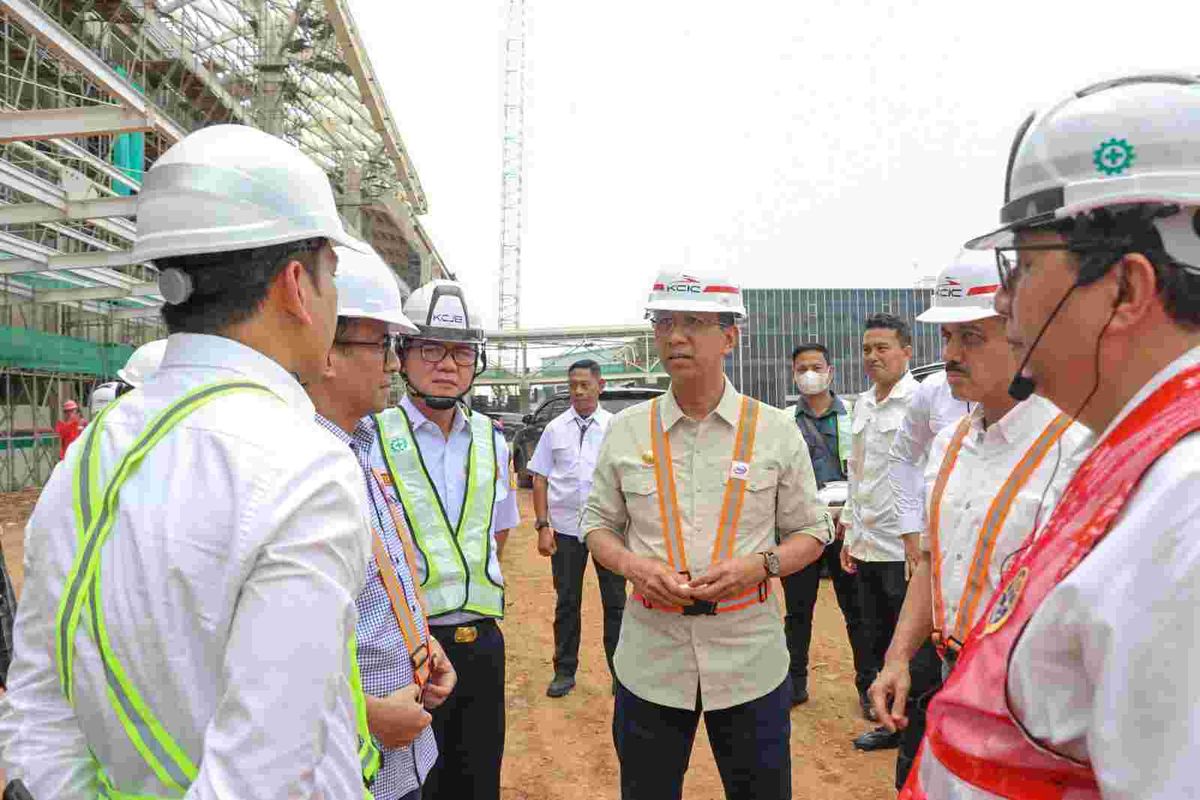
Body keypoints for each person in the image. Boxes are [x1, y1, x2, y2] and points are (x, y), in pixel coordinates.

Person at [0, 124, 379, 798]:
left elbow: (40, 707)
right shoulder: (305, 469)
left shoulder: (90, 456)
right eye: (333, 277)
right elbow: (264, 775)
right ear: (297, 284)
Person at [903, 73, 1200, 798]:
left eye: (1024, 267)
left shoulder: (1186, 513)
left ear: (1126, 290)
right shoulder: (1145, 464)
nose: (1004, 300)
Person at [584, 270, 833, 800]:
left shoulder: (774, 430)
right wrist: (634, 567)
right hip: (651, 659)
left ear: (729, 336)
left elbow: (812, 530)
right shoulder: (627, 429)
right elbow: (598, 526)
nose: (676, 337)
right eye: (665, 322)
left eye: (694, 323)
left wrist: (759, 566)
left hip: (750, 659)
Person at [871, 258, 1088, 789]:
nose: (948, 355)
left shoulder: (1077, 449)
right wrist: (899, 657)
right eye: (947, 336)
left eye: (971, 336)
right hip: (951, 677)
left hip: (1032, 705)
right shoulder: (949, 446)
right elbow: (931, 560)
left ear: (1025, 337)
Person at [306, 245, 459, 800]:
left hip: (407, 736)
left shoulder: (362, 446)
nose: (395, 364)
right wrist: (363, 715)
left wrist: (423, 645)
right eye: (382, 345)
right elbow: (268, 655)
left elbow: (379, 584)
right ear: (326, 352)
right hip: (351, 761)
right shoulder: (300, 470)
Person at [373, 279, 519, 800]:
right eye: (431, 348)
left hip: (482, 646)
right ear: (402, 354)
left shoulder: (493, 441)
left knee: (479, 782)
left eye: (460, 352)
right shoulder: (370, 438)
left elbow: (497, 534)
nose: (447, 364)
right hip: (408, 651)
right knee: (417, 787)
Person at [839, 312, 918, 752]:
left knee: (906, 645)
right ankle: (890, 724)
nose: (873, 357)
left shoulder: (919, 404)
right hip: (868, 543)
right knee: (872, 635)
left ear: (907, 351)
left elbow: (928, 474)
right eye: (867, 349)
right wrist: (849, 531)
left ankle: (911, 728)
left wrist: (920, 542)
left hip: (902, 548)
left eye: (882, 348)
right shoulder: (863, 404)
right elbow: (858, 474)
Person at [529, 358, 625, 698]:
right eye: (573, 385)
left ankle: (621, 675)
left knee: (616, 603)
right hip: (566, 531)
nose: (579, 391)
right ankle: (564, 671)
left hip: (608, 531)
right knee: (567, 602)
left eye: (585, 384)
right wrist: (543, 525)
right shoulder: (555, 428)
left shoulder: (616, 427)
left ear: (600, 386)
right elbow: (539, 478)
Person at [780, 342, 868, 708]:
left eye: (816, 367)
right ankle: (794, 683)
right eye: (802, 368)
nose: (809, 374)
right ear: (794, 374)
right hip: (801, 528)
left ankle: (868, 685)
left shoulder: (854, 415)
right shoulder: (784, 421)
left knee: (857, 612)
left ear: (831, 371)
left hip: (846, 527)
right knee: (797, 611)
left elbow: (866, 470)